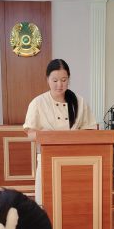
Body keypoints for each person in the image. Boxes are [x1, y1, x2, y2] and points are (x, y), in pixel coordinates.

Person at [23, 59, 97, 203]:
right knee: (46, 201)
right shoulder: (38, 103)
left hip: (76, 160)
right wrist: (47, 136)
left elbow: (90, 130)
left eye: (64, 80)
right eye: (55, 80)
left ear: (69, 79)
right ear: (47, 80)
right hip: (47, 159)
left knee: (72, 201)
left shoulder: (79, 101)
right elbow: (30, 134)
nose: (59, 85)